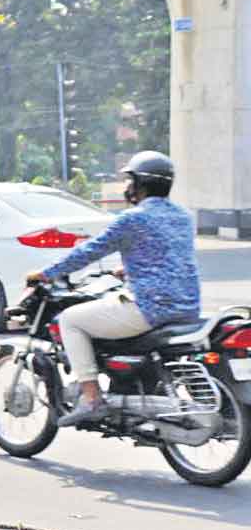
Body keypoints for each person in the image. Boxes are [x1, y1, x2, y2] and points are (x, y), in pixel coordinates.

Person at [27, 150, 201, 427]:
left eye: (130, 180)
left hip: (150, 309)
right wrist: (128, 269)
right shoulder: (185, 217)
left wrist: (46, 274)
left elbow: (89, 252)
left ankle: (91, 398)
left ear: (140, 184)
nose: (127, 186)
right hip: (188, 309)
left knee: (70, 320)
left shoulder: (132, 218)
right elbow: (168, 255)